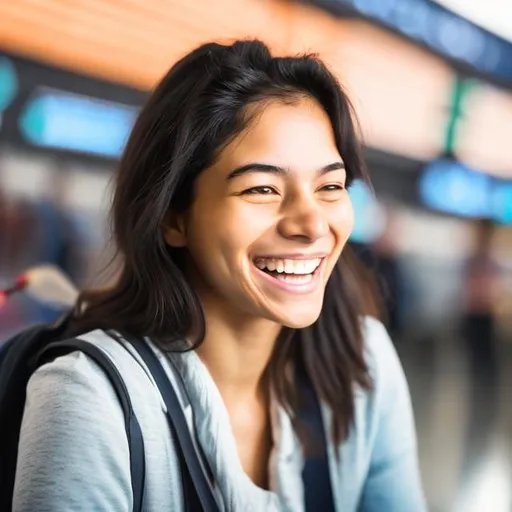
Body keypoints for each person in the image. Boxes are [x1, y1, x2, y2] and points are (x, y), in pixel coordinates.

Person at [12, 40, 426, 511]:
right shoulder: (91, 398)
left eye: (330, 186)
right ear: (173, 217)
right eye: (262, 188)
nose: (312, 224)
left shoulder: (361, 360)